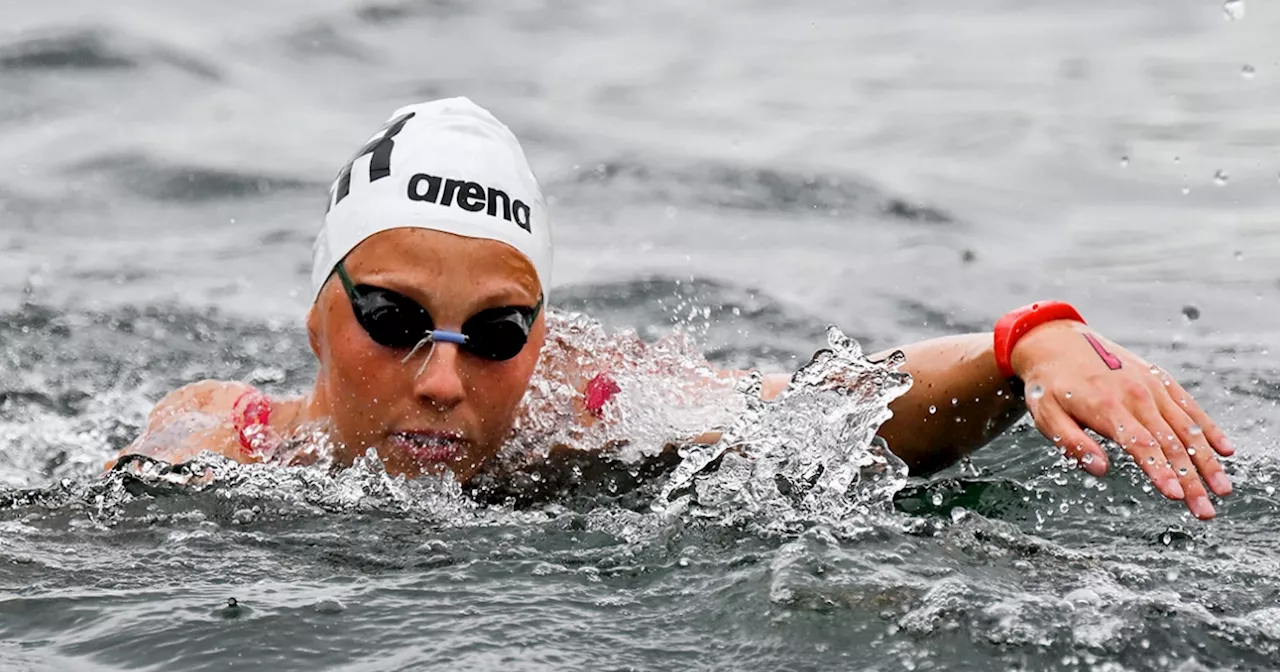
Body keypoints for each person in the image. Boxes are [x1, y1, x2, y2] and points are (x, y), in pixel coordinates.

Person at [107, 97, 1236, 521]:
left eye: (496, 332)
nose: (444, 379)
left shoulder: (587, 406)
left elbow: (825, 417)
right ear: (317, 318)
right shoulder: (215, 443)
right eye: (396, 320)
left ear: (539, 337)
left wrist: (1022, 341)